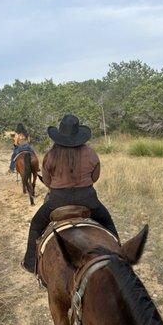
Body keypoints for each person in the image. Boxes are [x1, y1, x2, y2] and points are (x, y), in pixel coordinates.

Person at [22, 114, 118, 273]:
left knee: (36, 225)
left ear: (60, 135)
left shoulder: (51, 155)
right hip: (88, 200)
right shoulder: (91, 153)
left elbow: (47, 182)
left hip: (57, 201)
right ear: (79, 134)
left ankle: (30, 263)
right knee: (108, 223)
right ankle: (119, 257)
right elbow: (95, 177)